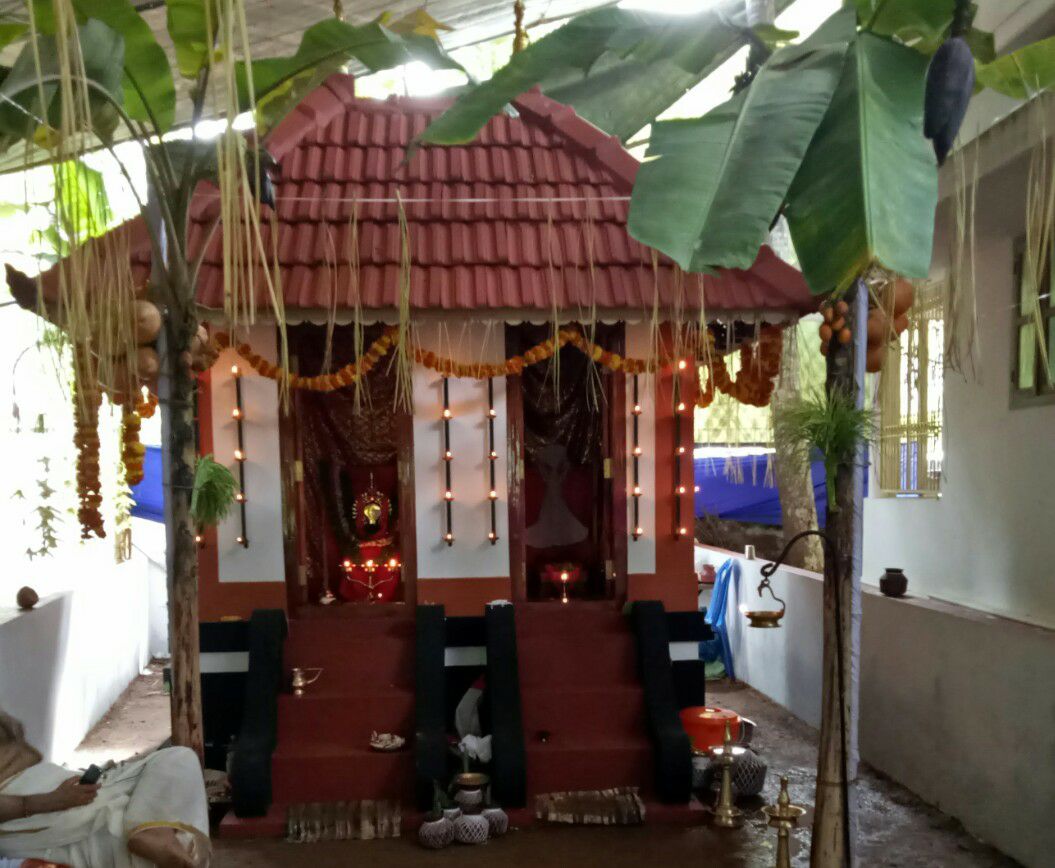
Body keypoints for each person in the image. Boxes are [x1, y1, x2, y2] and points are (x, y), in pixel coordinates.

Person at [0, 712, 209, 867]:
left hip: (52, 794)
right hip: (39, 804)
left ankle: (153, 831)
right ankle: (152, 832)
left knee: (176, 761)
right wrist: (53, 800)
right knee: (178, 760)